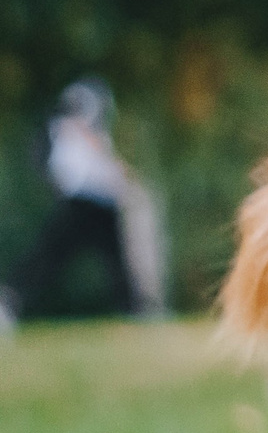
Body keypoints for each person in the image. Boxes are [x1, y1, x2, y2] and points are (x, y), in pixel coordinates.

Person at [0, 77, 166, 333]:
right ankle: (9, 301)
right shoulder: (69, 129)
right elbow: (76, 169)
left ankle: (137, 311)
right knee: (48, 257)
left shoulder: (84, 133)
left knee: (118, 262)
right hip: (79, 203)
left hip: (100, 205)